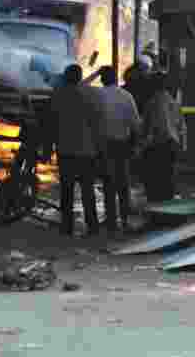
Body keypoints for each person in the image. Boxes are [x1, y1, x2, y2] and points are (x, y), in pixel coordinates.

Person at [47, 64, 102, 236]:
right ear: (79, 76)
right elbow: (97, 121)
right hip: (87, 150)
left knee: (67, 191)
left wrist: (49, 147)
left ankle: (66, 227)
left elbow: (52, 123)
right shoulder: (92, 94)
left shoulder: (58, 95)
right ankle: (92, 227)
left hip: (65, 150)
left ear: (65, 77)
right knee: (87, 191)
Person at [92, 65, 142, 234]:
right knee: (123, 185)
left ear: (102, 79)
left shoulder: (97, 96)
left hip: (103, 146)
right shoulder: (126, 96)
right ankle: (125, 220)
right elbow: (136, 125)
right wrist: (135, 146)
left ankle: (111, 221)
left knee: (108, 184)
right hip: (122, 145)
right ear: (115, 78)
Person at [139, 72, 185, 206]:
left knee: (155, 184)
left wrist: (142, 147)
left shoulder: (153, 103)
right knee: (168, 183)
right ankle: (167, 214)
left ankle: (158, 215)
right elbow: (181, 127)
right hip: (171, 146)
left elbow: (154, 129)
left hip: (158, 147)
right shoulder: (173, 102)